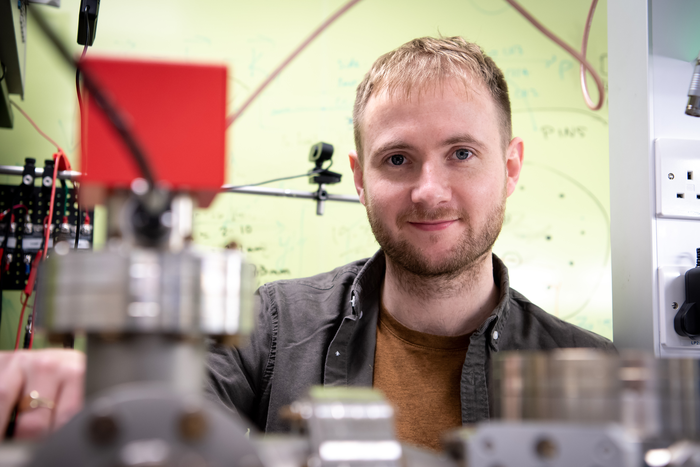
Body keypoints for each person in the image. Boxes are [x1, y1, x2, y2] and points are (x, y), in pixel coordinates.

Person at [0, 36, 614, 450]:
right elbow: (170, 410)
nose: (429, 191)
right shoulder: (271, 324)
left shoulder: (596, 374)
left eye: (461, 153)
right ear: (359, 176)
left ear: (510, 167)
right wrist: (101, 392)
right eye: (397, 158)